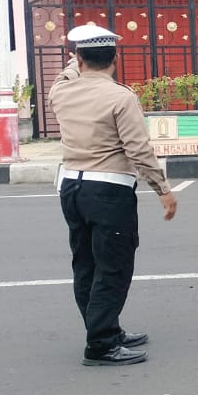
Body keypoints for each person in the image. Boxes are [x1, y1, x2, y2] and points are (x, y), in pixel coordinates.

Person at [49, 25, 178, 367]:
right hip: (108, 191)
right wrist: (162, 189)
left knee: (86, 263)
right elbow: (138, 150)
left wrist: (74, 59)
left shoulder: (61, 92)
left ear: (78, 57)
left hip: (71, 190)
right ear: (115, 58)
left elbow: (67, 72)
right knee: (113, 266)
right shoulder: (120, 98)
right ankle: (101, 344)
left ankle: (105, 328)